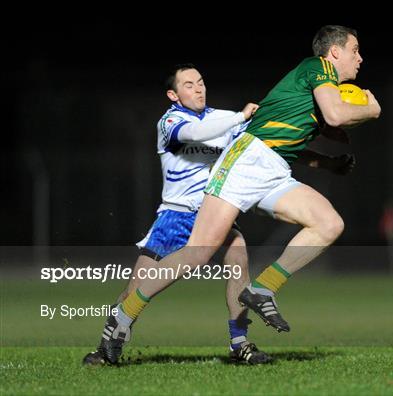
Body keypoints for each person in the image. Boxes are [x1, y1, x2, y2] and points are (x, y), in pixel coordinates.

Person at [97, 25, 381, 363]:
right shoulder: (317, 67)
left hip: (273, 170)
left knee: (329, 224)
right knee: (197, 255)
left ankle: (261, 293)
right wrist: (370, 108)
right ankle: (122, 317)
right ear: (334, 52)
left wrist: (328, 162)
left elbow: (288, 138)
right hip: (237, 168)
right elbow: (337, 113)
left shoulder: (313, 96)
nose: (360, 57)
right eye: (354, 49)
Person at [83, 64, 272, 365]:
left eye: (200, 82)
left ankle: (240, 343)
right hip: (175, 217)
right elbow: (197, 132)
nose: (198, 88)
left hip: (211, 213)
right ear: (174, 94)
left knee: (238, 259)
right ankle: (105, 347)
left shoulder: (222, 118)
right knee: (136, 289)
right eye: (188, 85)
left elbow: (262, 139)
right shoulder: (170, 121)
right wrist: (239, 117)